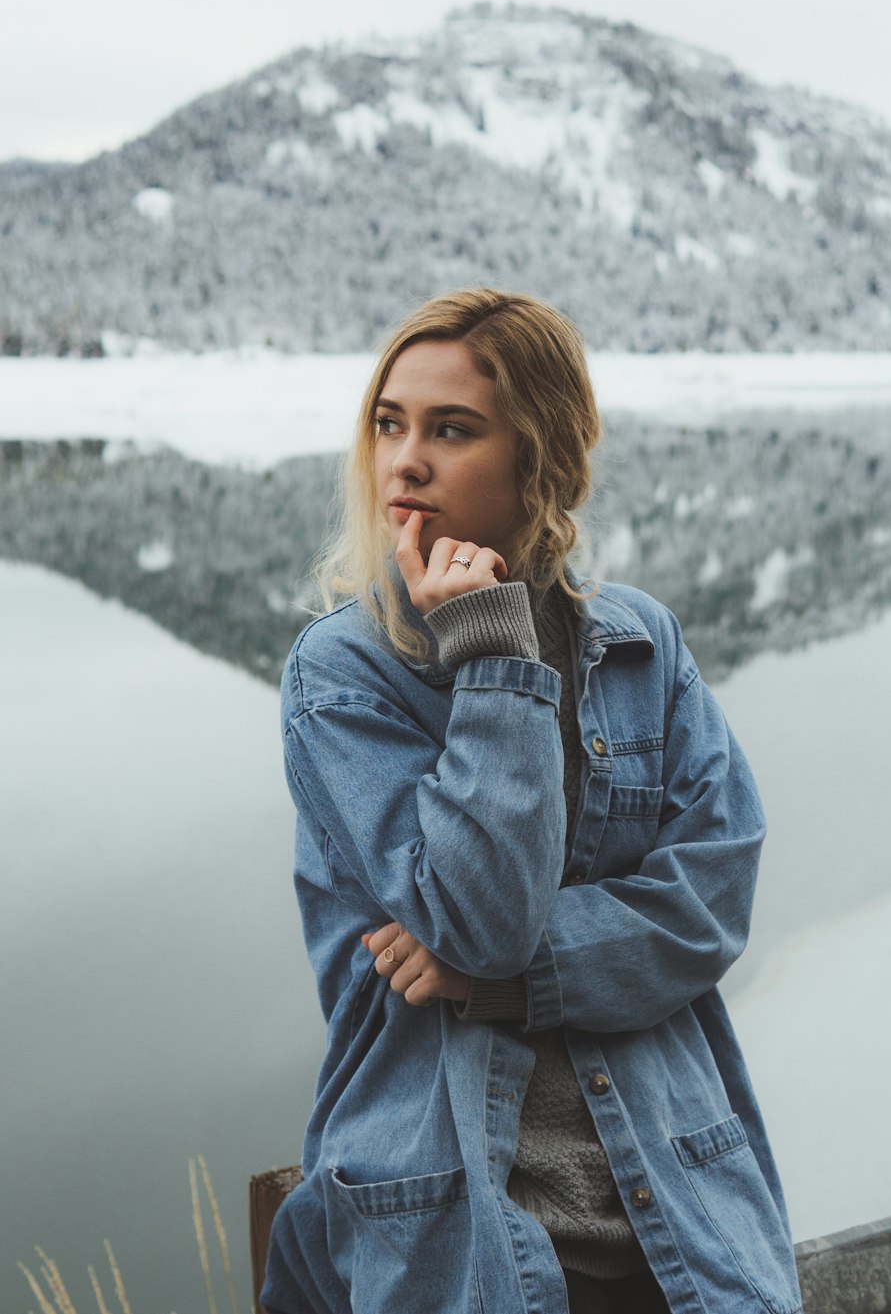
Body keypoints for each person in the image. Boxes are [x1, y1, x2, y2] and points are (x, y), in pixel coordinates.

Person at [261, 289, 801, 1314]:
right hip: (457, 1225)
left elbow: (710, 901)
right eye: (389, 423)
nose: (404, 461)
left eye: (450, 429)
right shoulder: (342, 674)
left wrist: (502, 983)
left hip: (677, 1206)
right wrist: (494, 657)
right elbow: (480, 916)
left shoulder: (644, 644)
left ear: (538, 457)